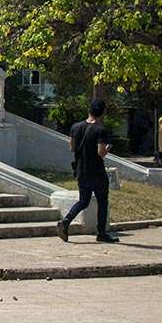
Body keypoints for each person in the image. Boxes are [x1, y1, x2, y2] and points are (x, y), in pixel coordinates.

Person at [57, 99, 119, 243]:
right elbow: (101, 152)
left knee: (83, 201)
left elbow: (72, 147)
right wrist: (109, 147)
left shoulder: (75, 127)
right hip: (97, 172)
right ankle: (101, 233)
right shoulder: (100, 130)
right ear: (102, 113)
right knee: (102, 201)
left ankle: (66, 221)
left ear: (89, 110)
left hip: (81, 170)